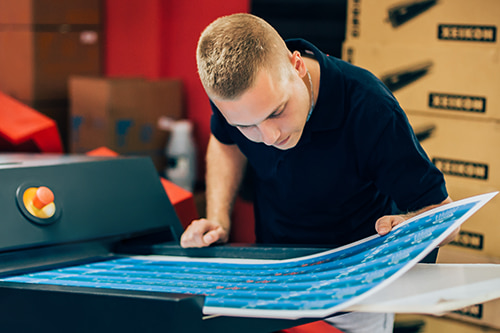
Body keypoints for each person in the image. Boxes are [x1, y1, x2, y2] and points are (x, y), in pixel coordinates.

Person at [181, 13, 455, 333]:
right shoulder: (237, 100)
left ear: (296, 66)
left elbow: (444, 216)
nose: (269, 137)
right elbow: (225, 143)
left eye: (277, 111)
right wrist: (218, 219)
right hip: (274, 273)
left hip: (355, 292)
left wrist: (409, 230)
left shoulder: (369, 107)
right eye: (247, 126)